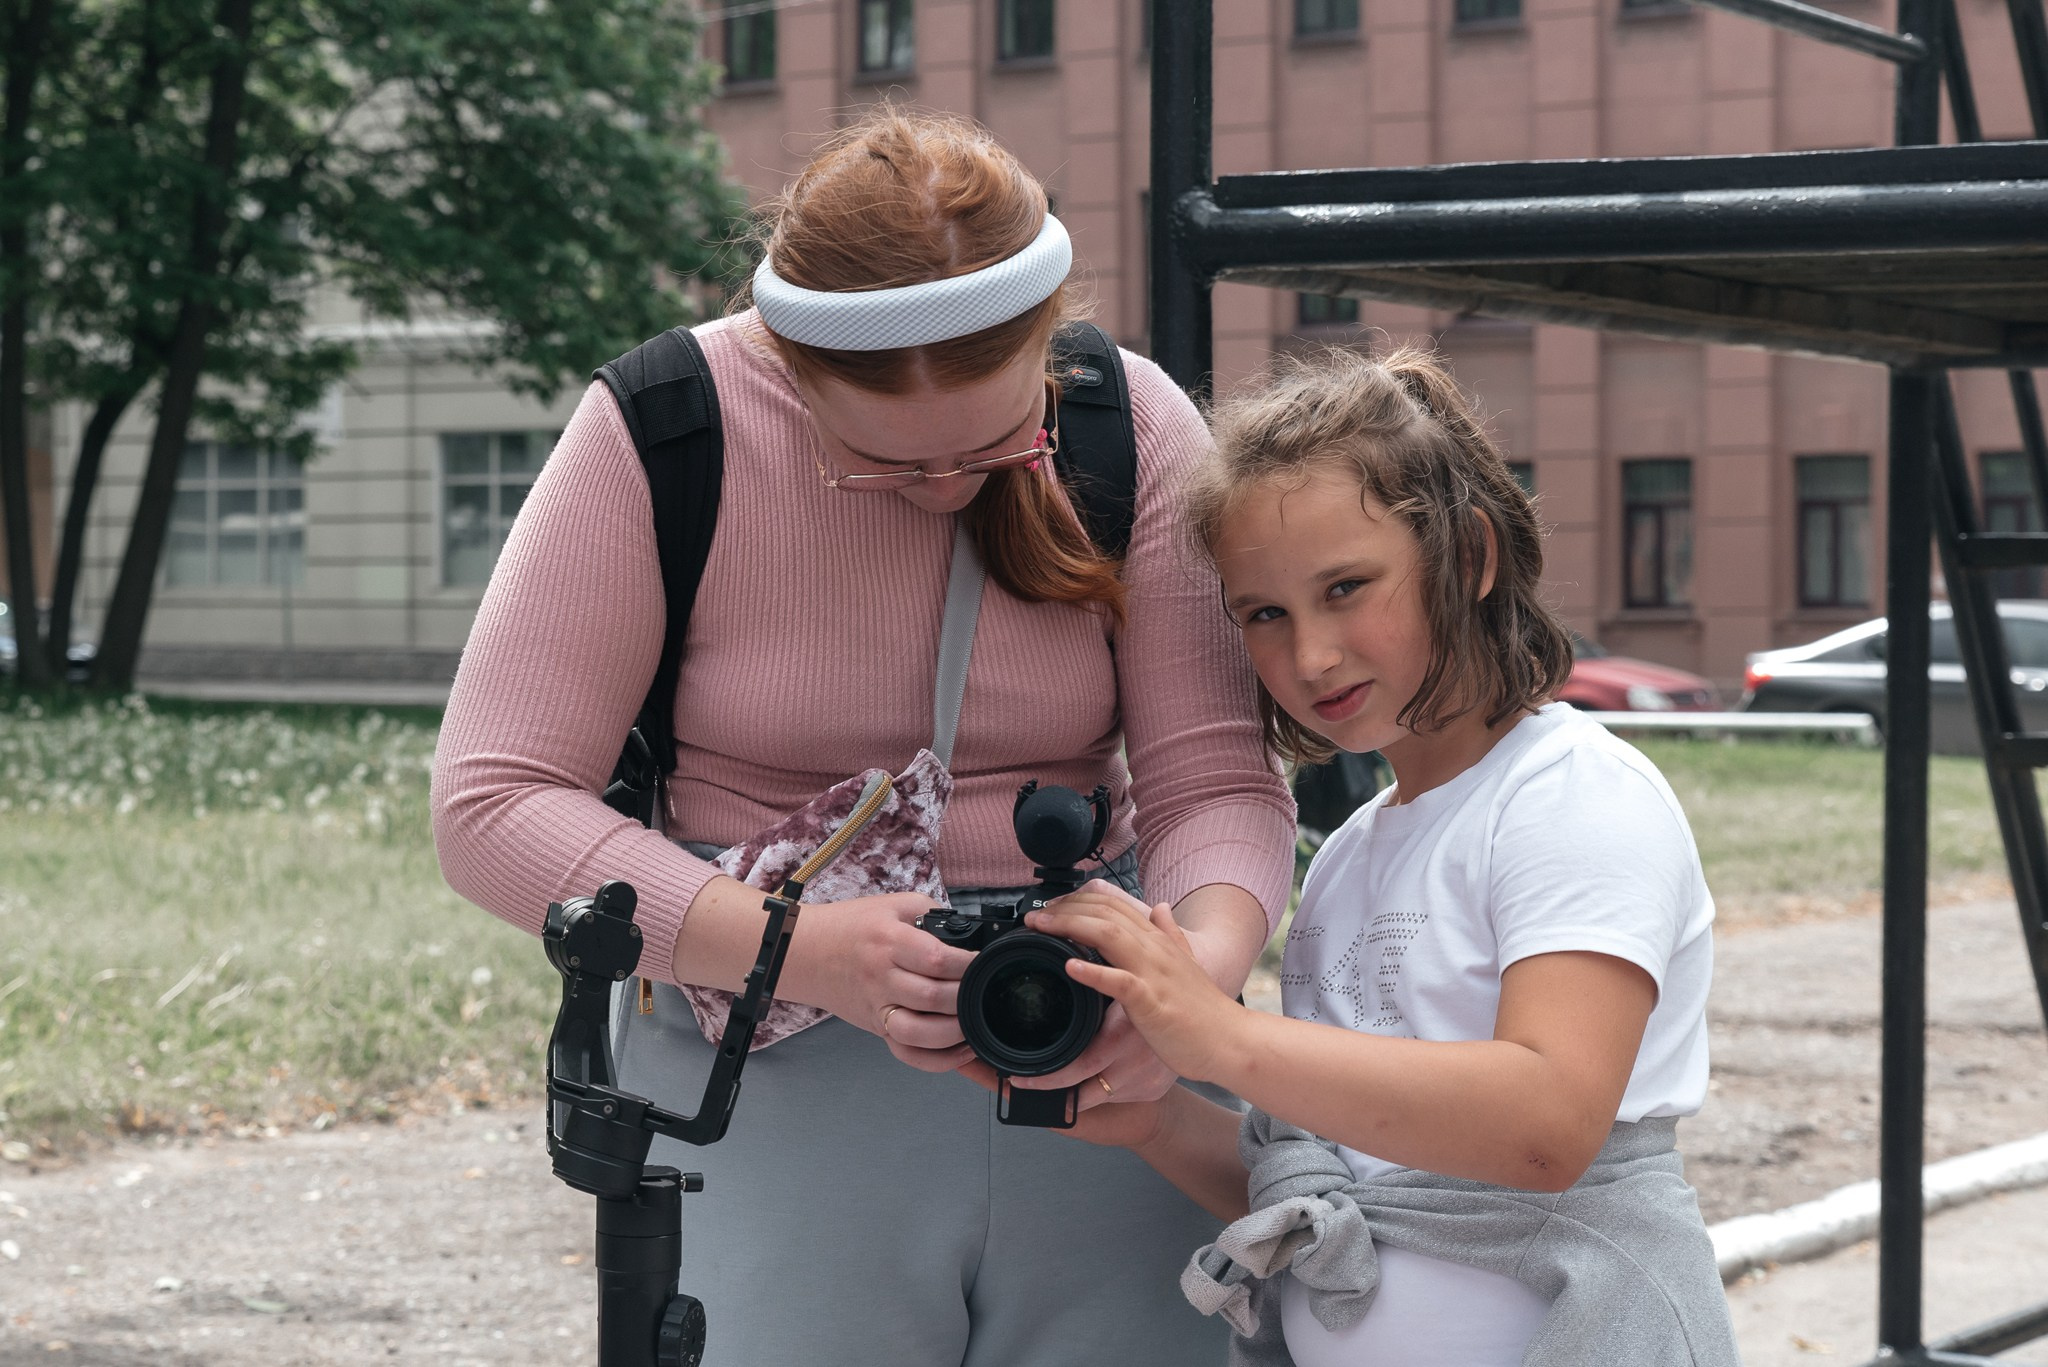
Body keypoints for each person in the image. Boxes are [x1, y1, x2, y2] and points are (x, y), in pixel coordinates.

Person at [429, 107, 1295, 1366]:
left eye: (993, 447)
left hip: (1101, 1059)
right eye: (884, 466)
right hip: (769, 1061)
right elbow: (492, 800)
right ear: (788, 367)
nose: (946, 492)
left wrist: (1190, 984)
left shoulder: (1130, 423)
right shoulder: (665, 429)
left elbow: (1212, 770)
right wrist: (795, 947)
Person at [1014, 346, 1739, 1365]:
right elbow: (1335, 1181)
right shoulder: (1351, 852)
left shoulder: (1571, 791)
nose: (1308, 654)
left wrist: (1216, 1033)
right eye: (1263, 613)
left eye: (1346, 587)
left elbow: (1548, 1121)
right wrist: (1141, 1112)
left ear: (1471, 555)